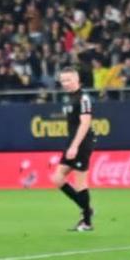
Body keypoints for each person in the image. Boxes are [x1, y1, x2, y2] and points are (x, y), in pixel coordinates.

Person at [49, 68, 95, 231]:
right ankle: (87, 209)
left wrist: (75, 146)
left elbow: (85, 123)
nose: (65, 84)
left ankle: (87, 222)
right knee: (57, 178)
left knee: (80, 181)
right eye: (63, 81)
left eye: (68, 80)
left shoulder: (83, 98)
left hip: (81, 143)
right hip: (73, 143)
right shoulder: (70, 98)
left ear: (77, 79)